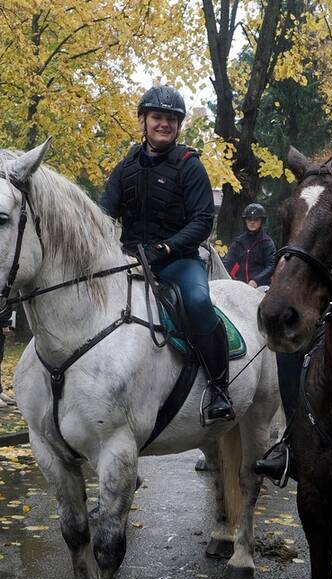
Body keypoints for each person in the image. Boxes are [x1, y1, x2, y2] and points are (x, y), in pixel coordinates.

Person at [98, 85, 231, 423]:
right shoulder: (125, 165)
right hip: (129, 262)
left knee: (199, 303)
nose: (164, 124)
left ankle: (219, 388)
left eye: (171, 119)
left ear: (178, 125)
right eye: (157, 117)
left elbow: (203, 220)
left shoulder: (189, 165)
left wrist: (168, 246)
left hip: (178, 262)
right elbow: (103, 213)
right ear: (143, 120)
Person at [223, 203, 276, 287]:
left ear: (262, 221)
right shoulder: (238, 242)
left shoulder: (267, 242)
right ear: (245, 221)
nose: (252, 222)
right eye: (249, 219)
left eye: (256, 219)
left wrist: (256, 280)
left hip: (261, 286)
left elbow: (271, 266)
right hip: (240, 285)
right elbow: (227, 263)